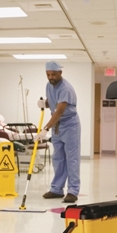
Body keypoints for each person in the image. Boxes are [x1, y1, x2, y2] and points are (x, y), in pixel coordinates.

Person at [35, 61, 80, 203]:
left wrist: (45, 128)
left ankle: (72, 191)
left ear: (60, 73)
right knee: (58, 158)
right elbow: (53, 102)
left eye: (53, 74)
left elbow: (60, 110)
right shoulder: (49, 85)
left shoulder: (66, 88)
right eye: (48, 74)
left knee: (71, 159)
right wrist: (45, 104)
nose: (51, 77)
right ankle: (57, 189)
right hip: (57, 126)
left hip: (69, 124)